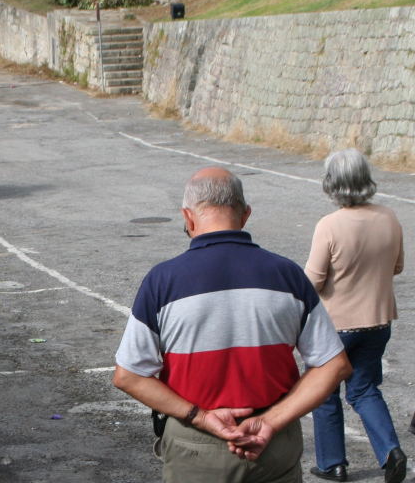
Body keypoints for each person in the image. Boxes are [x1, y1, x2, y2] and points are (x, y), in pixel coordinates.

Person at [114, 167, 352, 483]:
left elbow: (129, 375)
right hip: (272, 446)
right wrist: (271, 421)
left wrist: (198, 417)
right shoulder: (288, 276)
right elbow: (334, 365)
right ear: (245, 215)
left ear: (188, 217)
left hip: (196, 448)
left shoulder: (162, 282)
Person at [305, 149, 407, 483]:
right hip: (378, 320)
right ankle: (391, 451)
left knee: (324, 390)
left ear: (332, 183)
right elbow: (397, 266)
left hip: (336, 325)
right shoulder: (388, 216)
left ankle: (334, 463)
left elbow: (313, 281)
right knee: (364, 389)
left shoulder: (329, 226)